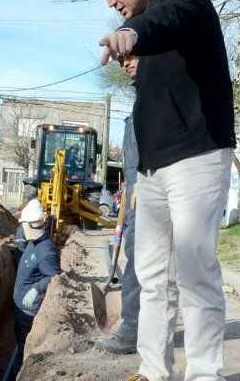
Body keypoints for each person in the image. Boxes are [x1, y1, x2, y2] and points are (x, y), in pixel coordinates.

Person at [92, 0, 236, 381]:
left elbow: (167, 21)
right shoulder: (148, 36)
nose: (111, 3)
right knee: (152, 277)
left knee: (195, 272)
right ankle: (154, 371)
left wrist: (131, 33)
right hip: (152, 168)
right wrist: (140, 65)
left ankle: (205, 374)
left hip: (197, 157)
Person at [95, 55, 142, 355]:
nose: (125, 64)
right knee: (135, 256)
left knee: (138, 260)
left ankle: (132, 330)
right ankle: (141, 329)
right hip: (137, 192)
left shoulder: (153, 101)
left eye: (132, 57)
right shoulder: (140, 105)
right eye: (122, 60)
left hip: (149, 195)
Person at [3, 199, 61, 381]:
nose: (21, 229)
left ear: (29, 225)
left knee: (24, 347)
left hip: (29, 312)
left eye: (22, 225)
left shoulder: (46, 250)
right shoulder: (33, 242)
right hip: (20, 307)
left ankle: (17, 375)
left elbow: (54, 277)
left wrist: (36, 289)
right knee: (19, 340)